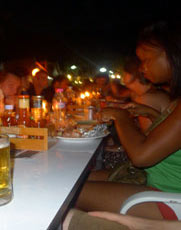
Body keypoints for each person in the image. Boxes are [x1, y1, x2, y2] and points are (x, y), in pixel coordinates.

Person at [74, 21, 181, 220]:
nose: (142, 68)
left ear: (171, 53)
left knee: (68, 193)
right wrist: (150, 113)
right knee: (70, 179)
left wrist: (120, 116)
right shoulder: (176, 101)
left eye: (146, 59)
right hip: (158, 185)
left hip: (171, 199)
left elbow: (141, 156)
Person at [122, 56, 171, 132]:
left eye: (125, 71)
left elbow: (149, 138)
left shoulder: (146, 98)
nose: (123, 76)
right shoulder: (151, 92)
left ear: (133, 74)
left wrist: (118, 117)